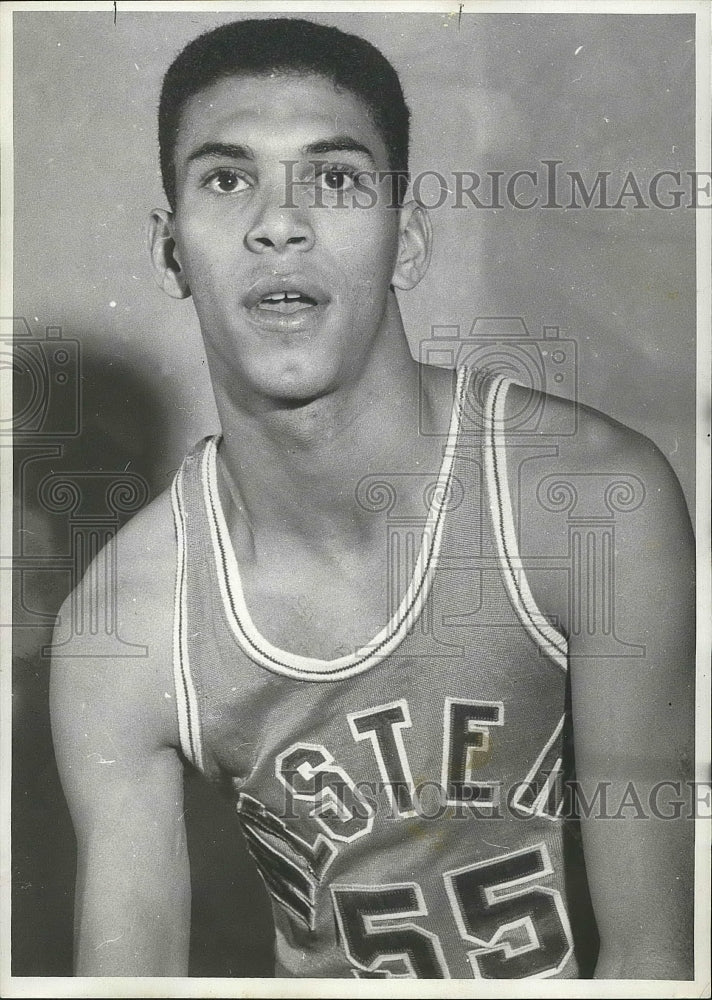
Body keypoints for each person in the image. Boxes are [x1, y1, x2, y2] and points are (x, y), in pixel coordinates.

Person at [49, 17, 695, 980]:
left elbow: (658, 960)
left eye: (336, 178)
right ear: (169, 252)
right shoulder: (123, 626)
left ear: (408, 239)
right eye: (227, 180)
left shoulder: (587, 503)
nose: (279, 224)